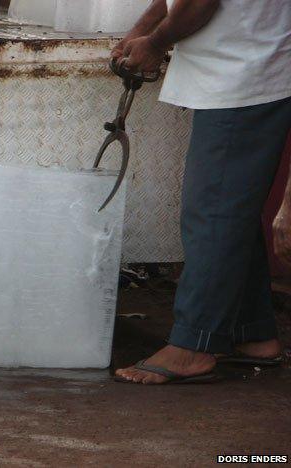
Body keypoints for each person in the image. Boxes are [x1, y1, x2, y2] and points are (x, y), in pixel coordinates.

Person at [113, 0, 291, 384]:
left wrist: (155, 42)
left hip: (244, 72)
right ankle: (253, 332)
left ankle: (193, 345)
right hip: (237, 65)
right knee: (229, 208)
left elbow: (200, 3)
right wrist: (142, 30)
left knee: (213, 212)